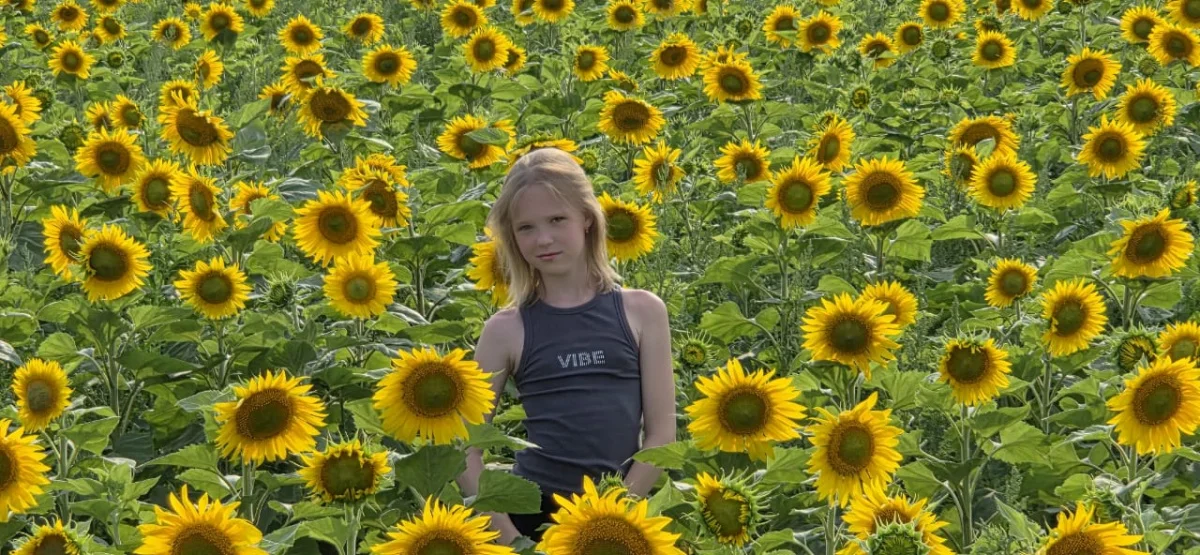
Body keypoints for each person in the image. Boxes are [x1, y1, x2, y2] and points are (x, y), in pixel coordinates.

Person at [454, 147, 677, 544]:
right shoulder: (506, 330)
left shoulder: (642, 312)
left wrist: (610, 520)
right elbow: (464, 448)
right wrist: (510, 540)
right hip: (533, 518)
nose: (543, 239)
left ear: (587, 218)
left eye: (557, 220)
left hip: (619, 515)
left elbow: (662, 435)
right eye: (526, 228)